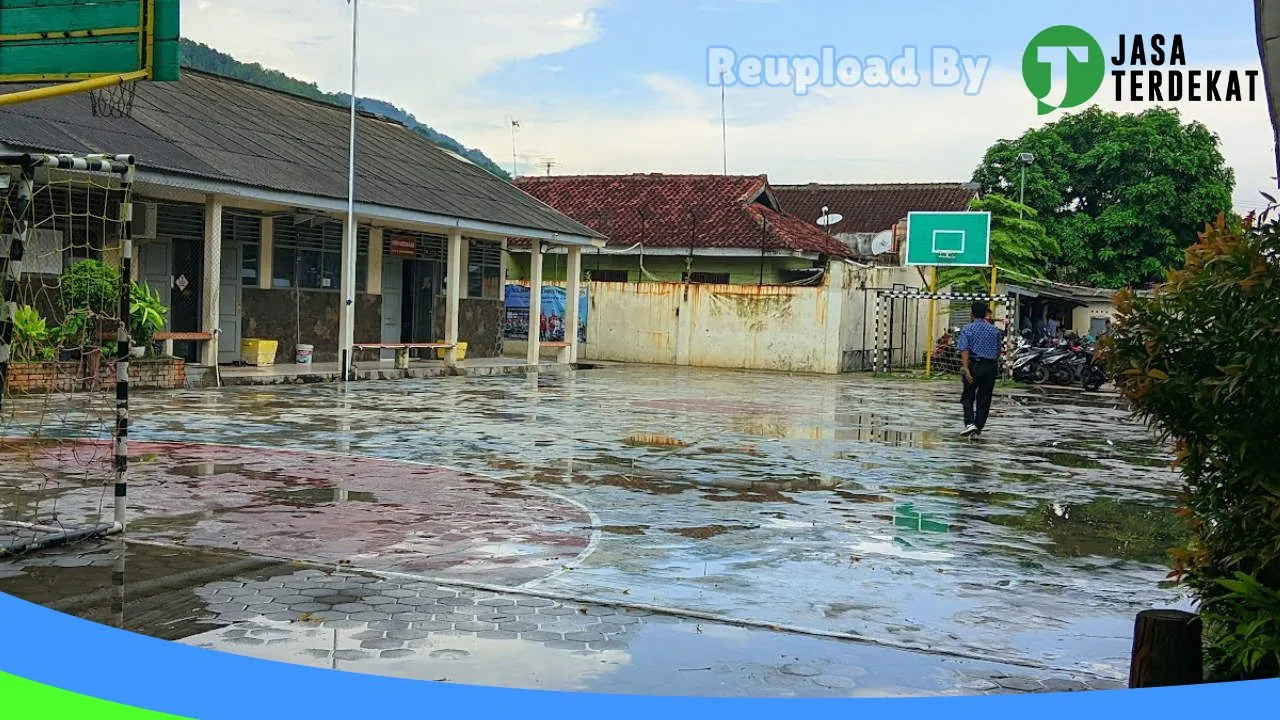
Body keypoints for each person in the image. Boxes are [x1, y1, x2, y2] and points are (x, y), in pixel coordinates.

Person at [957, 300, 1001, 438]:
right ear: (986, 314)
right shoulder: (995, 330)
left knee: (968, 396)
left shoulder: (967, 329)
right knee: (984, 398)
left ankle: (970, 423)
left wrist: (966, 368)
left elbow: (964, 349)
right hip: (990, 366)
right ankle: (978, 427)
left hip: (974, 365)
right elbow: (998, 351)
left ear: (972, 314)